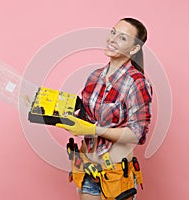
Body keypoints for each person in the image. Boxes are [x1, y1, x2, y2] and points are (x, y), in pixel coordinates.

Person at [56, 17, 152, 200]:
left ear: (134, 48)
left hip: (115, 176)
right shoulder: (95, 76)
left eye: (122, 38)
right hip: (88, 169)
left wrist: (94, 130)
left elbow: (138, 134)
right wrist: (58, 111)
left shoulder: (137, 83)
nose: (112, 39)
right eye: (113, 32)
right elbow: (85, 117)